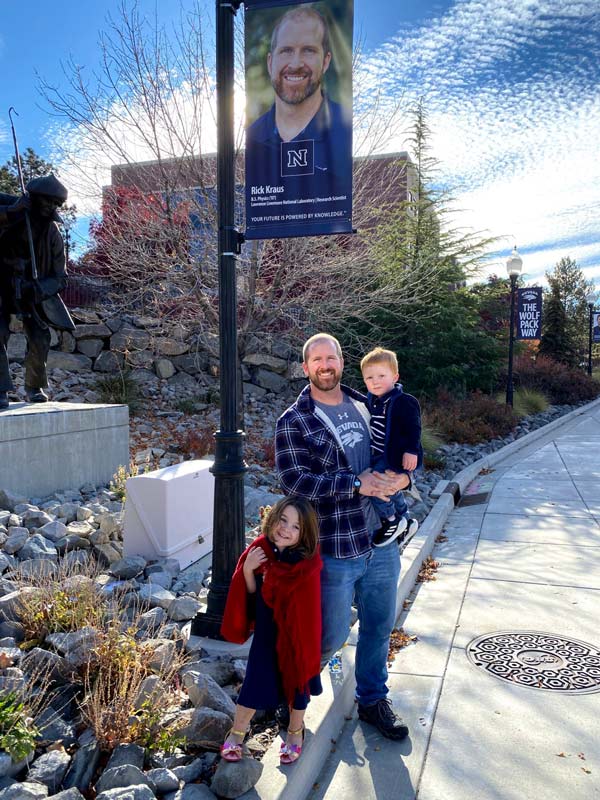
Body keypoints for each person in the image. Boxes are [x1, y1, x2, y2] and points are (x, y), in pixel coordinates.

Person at [275, 333, 410, 741]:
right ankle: (293, 694)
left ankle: (372, 700)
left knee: (378, 627)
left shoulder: (369, 403)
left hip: (380, 540)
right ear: (306, 368)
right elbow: (293, 480)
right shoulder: (294, 421)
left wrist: (406, 476)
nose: (325, 365)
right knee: (329, 635)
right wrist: (355, 484)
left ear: (341, 361)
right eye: (316, 359)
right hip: (335, 546)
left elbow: (403, 447)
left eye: (330, 357)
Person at [220, 496, 322, 765]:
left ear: (305, 533)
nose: (286, 529)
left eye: (296, 527)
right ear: (273, 517)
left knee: (298, 684)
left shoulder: (307, 562)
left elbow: (308, 608)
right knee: (255, 680)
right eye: (283, 520)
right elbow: (251, 600)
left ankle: (295, 732)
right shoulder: (260, 549)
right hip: (267, 634)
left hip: (296, 637)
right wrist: (249, 571)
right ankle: (238, 731)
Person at [245, 6, 352, 229]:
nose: (295, 63)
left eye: (308, 50)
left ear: (326, 61)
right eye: (286, 50)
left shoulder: (345, 130)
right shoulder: (252, 138)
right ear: (269, 62)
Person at [0, 175, 72, 410]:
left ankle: (34, 386)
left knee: (41, 336)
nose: (51, 207)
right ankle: (0, 389)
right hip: (2, 285)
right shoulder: (13, 210)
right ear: (35, 198)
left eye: (55, 204)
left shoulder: (52, 233)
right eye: (47, 201)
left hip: (31, 291)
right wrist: (11, 211)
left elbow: (61, 278)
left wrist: (38, 288)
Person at [361, 347, 423, 548]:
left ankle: (391, 519)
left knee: (377, 485)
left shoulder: (403, 401)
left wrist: (412, 450)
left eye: (381, 375)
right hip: (378, 454)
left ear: (395, 376)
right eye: (369, 377)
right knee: (390, 487)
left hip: (395, 455)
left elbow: (414, 427)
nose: (375, 381)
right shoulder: (372, 400)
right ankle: (405, 519)